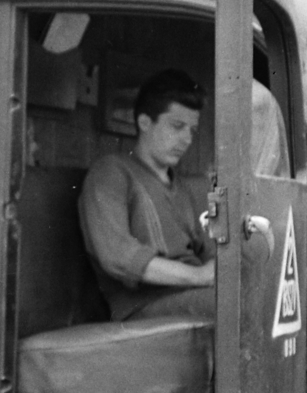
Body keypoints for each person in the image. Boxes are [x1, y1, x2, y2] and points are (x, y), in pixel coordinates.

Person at [79, 69, 215, 321]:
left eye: (192, 130)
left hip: (192, 296)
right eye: (177, 126)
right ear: (144, 123)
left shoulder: (182, 187)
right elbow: (117, 256)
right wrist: (198, 276)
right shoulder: (112, 172)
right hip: (144, 306)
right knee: (234, 304)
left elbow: (207, 251)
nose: (187, 139)